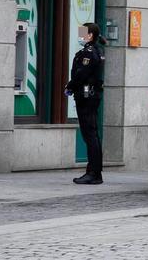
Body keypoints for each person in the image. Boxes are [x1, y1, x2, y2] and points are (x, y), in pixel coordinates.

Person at [65, 22, 106, 184]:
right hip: (89, 95)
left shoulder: (89, 52)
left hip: (87, 96)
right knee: (92, 134)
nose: (80, 36)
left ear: (90, 35)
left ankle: (94, 173)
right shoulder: (96, 50)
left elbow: (81, 73)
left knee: (90, 135)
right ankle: (94, 171)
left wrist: (70, 85)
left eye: (82, 32)